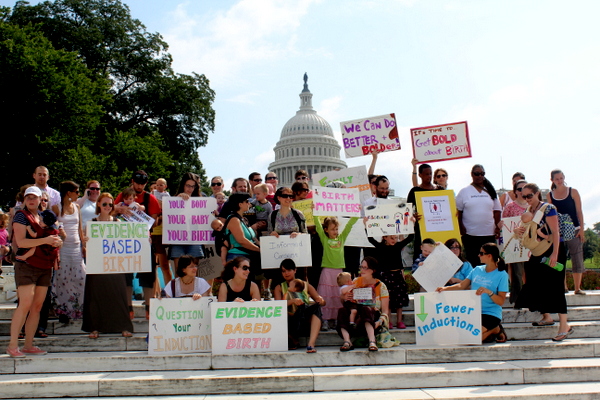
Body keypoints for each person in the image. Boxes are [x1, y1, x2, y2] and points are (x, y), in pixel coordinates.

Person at [7, 186, 62, 357]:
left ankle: (28, 345)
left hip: (44, 266)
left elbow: (54, 237)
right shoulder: (21, 216)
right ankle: (12, 345)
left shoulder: (44, 218)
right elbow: (22, 242)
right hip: (27, 265)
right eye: (28, 197)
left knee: (37, 307)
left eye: (34, 197)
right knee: (25, 304)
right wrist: (46, 239)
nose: (31, 200)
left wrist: (56, 241)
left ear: (40, 200)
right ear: (24, 199)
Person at [515, 183, 573, 342]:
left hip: (553, 250)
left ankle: (564, 325)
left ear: (537, 194)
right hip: (538, 252)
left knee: (556, 286)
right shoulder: (528, 211)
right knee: (533, 281)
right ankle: (546, 316)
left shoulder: (548, 208)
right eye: (524, 196)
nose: (527, 199)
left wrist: (555, 254)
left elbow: (556, 232)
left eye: (529, 195)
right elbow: (526, 231)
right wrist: (517, 231)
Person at [82, 193, 133, 339]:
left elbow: (127, 243)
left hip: (114, 265)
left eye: (110, 204)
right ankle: (95, 328)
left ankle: (123, 326)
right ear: (98, 204)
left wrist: (144, 240)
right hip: (97, 265)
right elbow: (86, 246)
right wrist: (85, 242)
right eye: (104, 204)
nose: (107, 207)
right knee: (96, 296)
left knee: (118, 295)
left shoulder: (118, 223)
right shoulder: (91, 223)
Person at [436, 243, 508, 343]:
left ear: (489, 256)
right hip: (474, 312)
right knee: (464, 337)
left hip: (491, 313)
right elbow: (462, 285)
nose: (479, 255)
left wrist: (489, 292)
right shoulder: (477, 270)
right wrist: (444, 289)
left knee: (472, 339)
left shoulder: (502, 275)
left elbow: (500, 301)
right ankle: (493, 330)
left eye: (481, 253)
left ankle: (495, 329)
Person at [114, 170, 161, 320]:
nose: (140, 186)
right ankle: (128, 308)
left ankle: (149, 309)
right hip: (125, 242)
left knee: (148, 276)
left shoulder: (150, 198)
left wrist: (144, 215)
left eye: (143, 183)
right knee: (126, 275)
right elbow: (111, 210)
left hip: (144, 241)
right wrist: (120, 209)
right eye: (137, 182)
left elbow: (155, 220)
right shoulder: (123, 195)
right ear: (132, 181)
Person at [51, 181, 87, 323]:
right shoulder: (57, 208)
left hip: (76, 248)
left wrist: (84, 244)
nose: (78, 194)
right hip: (63, 248)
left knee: (80, 277)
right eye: (77, 192)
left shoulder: (77, 207)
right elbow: (53, 227)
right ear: (69, 193)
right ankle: (63, 309)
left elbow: (79, 228)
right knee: (63, 279)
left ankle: (79, 308)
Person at [315, 215, 359, 330]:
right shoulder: (325, 239)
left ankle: (335, 319)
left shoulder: (341, 238)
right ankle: (324, 320)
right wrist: (315, 213)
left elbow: (349, 226)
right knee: (326, 296)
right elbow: (318, 227)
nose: (335, 231)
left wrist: (356, 214)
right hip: (327, 272)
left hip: (339, 273)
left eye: (336, 229)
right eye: (332, 229)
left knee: (337, 295)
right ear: (326, 230)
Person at [338, 257, 390, 352]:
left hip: (372, 318)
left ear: (373, 270)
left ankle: (372, 341)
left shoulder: (381, 286)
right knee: (342, 310)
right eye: (361, 267)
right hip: (355, 319)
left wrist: (380, 322)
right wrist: (343, 297)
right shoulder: (355, 282)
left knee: (366, 308)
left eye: (365, 267)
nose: (362, 270)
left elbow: (385, 311)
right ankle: (347, 341)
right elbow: (345, 302)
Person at [547, 169, 586, 295]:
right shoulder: (550, 195)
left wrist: (582, 229)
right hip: (558, 232)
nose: (559, 181)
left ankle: (577, 287)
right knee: (559, 258)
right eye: (556, 179)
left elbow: (579, 211)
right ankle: (563, 286)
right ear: (552, 180)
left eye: (561, 178)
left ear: (564, 178)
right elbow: (550, 214)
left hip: (574, 229)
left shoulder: (573, 192)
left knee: (577, 257)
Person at [273, 258, 325, 353]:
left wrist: (320, 300)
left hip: (305, 319)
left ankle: (311, 344)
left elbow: (321, 301)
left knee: (316, 308)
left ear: (295, 270)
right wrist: (292, 301)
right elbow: (278, 307)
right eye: (283, 271)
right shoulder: (279, 287)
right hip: (291, 321)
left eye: (289, 270)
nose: (286, 273)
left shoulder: (305, 285)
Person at [456, 165, 502, 269]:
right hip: (470, 234)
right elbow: (459, 212)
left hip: (489, 233)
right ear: (472, 174)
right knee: (473, 261)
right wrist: (460, 226)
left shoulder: (491, 191)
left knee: (489, 262)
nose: (480, 176)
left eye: (482, 174)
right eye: (477, 173)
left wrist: (497, 227)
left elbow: (497, 210)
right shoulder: (464, 191)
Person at [367, 234, 412, 328]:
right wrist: (366, 226)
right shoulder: (381, 246)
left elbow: (410, 238)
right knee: (388, 300)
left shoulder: (398, 246)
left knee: (400, 301)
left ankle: (399, 321)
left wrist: (414, 224)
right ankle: (389, 321)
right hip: (387, 276)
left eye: (396, 238)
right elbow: (371, 239)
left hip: (397, 276)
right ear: (385, 237)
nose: (394, 240)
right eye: (391, 238)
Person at [168, 173, 204, 274]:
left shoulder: (201, 201)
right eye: (188, 185)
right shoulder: (173, 200)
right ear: (183, 185)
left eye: (193, 186)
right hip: (177, 240)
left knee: (193, 272)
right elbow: (169, 218)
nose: (190, 189)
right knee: (179, 273)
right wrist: (177, 201)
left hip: (194, 240)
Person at [407, 160, 443, 258]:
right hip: (421, 229)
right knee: (421, 255)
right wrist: (414, 216)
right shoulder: (415, 191)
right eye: (427, 174)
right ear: (420, 175)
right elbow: (407, 210)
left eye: (431, 173)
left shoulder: (439, 190)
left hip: (438, 228)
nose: (429, 176)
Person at [500, 179, 528, 304]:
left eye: (524, 188)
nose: (522, 191)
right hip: (515, 245)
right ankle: (517, 300)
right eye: (519, 189)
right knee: (516, 273)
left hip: (531, 245)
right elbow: (504, 224)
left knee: (531, 273)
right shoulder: (509, 206)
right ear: (515, 191)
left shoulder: (533, 206)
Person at [223, 193, 261, 283]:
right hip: (237, 257)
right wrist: (260, 250)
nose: (249, 203)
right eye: (247, 201)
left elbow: (252, 238)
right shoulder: (234, 219)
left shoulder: (242, 219)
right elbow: (241, 240)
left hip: (246, 257)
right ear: (240, 204)